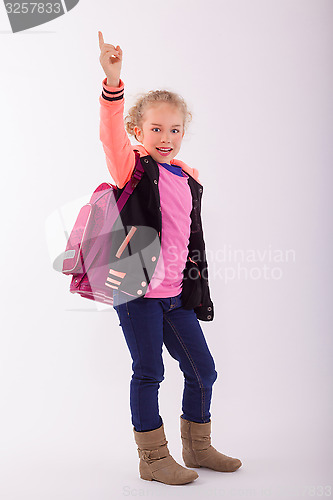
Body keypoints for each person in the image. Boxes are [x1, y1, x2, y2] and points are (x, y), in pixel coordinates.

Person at [98, 31, 242, 485]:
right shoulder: (133, 168)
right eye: (155, 129)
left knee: (204, 370)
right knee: (149, 372)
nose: (166, 137)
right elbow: (109, 134)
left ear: (184, 132)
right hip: (137, 292)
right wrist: (113, 82)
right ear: (138, 132)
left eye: (174, 129)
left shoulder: (187, 177)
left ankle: (197, 448)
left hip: (176, 296)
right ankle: (153, 459)